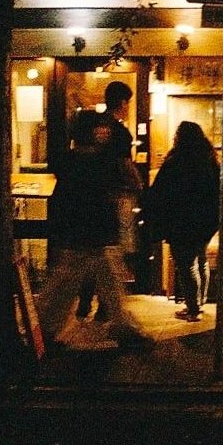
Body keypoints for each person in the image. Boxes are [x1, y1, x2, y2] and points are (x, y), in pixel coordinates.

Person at [37, 109, 145, 350]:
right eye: (100, 127)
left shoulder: (68, 160)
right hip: (97, 232)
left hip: (78, 233)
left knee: (69, 285)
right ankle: (123, 330)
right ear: (91, 131)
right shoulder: (101, 161)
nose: (105, 131)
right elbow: (125, 184)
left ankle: (46, 331)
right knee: (102, 285)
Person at [75, 80, 142, 321]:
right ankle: (105, 307)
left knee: (90, 250)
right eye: (128, 103)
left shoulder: (89, 124)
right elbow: (125, 165)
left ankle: (84, 301)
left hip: (86, 196)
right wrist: (139, 186)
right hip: (113, 197)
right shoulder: (122, 133)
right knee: (110, 251)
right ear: (123, 102)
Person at [144, 120, 220, 321]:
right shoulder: (210, 159)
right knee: (201, 260)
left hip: (181, 221)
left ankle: (193, 307)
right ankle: (200, 301)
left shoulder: (175, 161)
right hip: (205, 221)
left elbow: (160, 191)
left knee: (186, 264)